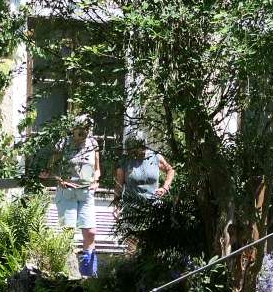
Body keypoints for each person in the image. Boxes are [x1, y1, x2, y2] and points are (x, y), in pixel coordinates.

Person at [41, 117, 100, 277]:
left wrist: (96, 181)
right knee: (68, 232)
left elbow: (97, 169)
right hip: (67, 193)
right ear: (74, 129)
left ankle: (89, 275)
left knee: (91, 232)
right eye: (81, 130)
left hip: (86, 193)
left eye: (87, 130)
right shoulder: (63, 144)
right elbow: (50, 168)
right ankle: (69, 272)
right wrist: (61, 180)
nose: (84, 133)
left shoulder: (93, 144)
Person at [114, 133, 175, 247]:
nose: (134, 151)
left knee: (153, 243)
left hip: (153, 206)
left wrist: (165, 187)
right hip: (132, 208)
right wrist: (116, 205)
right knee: (132, 245)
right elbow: (119, 185)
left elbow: (170, 170)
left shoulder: (155, 157)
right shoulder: (125, 161)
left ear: (143, 145)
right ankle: (131, 263)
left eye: (136, 148)